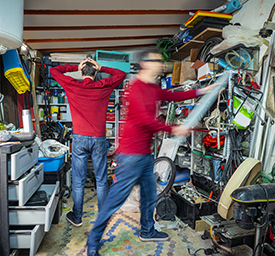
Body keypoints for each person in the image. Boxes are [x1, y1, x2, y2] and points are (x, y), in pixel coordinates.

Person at [86, 49, 217, 256]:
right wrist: (173, 128)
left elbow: (173, 96)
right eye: (157, 61)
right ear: (145, 64)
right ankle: (92, 242)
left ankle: (147, 231)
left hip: (145, 156)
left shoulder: (152, 88)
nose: (162, 64)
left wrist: (202, 91)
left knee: (149, 196)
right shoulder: (136, 88)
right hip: (130, 156)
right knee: (114, 201)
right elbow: (144, 121)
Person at [50, 58, 126, 227]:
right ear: (96, 72)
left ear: (81, 72)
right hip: (99, 139)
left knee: (78, 181)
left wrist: (74, 67)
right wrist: (102, 67)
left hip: (79, 139)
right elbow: (121, 74)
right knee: (100, 179)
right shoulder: (104, 85)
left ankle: (77, 217)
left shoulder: (72, 84)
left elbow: (54, 71)